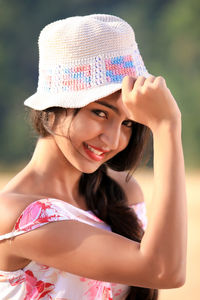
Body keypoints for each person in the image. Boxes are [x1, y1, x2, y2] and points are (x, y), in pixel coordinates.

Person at [0, 14, 187, 300]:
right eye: (100, 113)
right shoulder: (15, 215)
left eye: (128, 122)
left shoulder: (120, 191)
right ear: (53, 106)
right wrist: (167, 126)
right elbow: (164, 270)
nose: (113, 140)